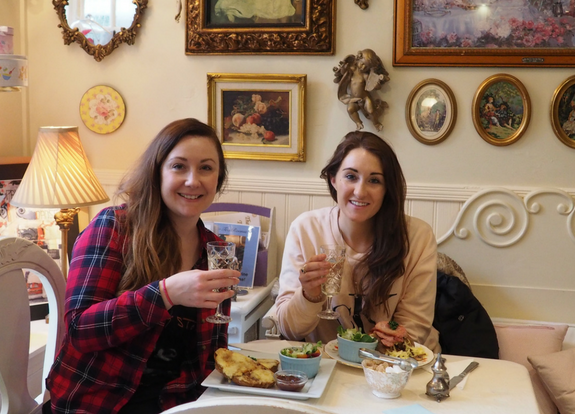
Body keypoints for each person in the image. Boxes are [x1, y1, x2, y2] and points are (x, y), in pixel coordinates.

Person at [43, 118, 241, 414]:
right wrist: (165, 293)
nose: (192, 180)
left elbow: (209, 355)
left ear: (218, 179)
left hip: (176, 405)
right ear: (157, 172)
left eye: (206, 168)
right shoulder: (114, 227)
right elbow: (80, 330)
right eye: (178, 166)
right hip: (99, 403)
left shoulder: (214, 250)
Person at [274, 131, 440, 353]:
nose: (360, 192)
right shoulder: (306, 230)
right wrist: (309, 296)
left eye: (374, 180)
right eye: (351, 177)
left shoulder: (418, 237)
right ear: (333, 179)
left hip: (398, 366)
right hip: (326, 369)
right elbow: (289, 330)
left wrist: (392, 336)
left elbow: (415, 330)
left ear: (387, 188)